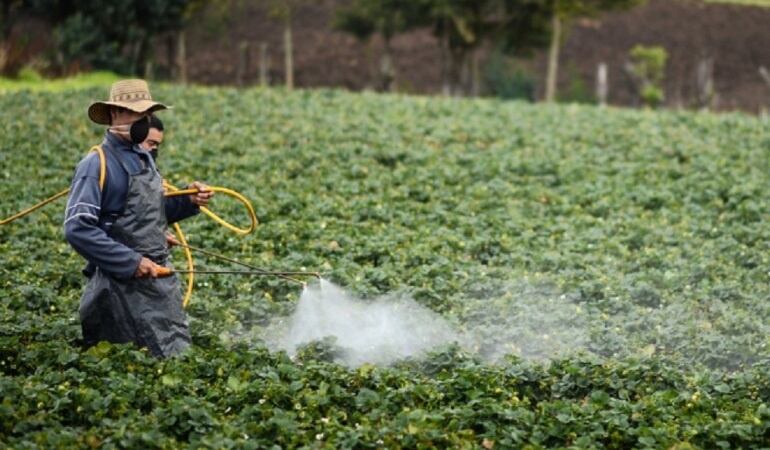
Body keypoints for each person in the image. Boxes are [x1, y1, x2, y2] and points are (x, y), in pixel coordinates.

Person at [64, 79, 212, 357]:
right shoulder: (96, 164)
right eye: (134, 114)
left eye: (145, 114)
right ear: (113, 115)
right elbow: (78, 229)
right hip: (119, 293)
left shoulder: (144, 158)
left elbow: (149, 211)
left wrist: (188, 201)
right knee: (130, 367)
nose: (141, 121)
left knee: (177, 362)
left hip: (159, 286)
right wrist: (131, 262)